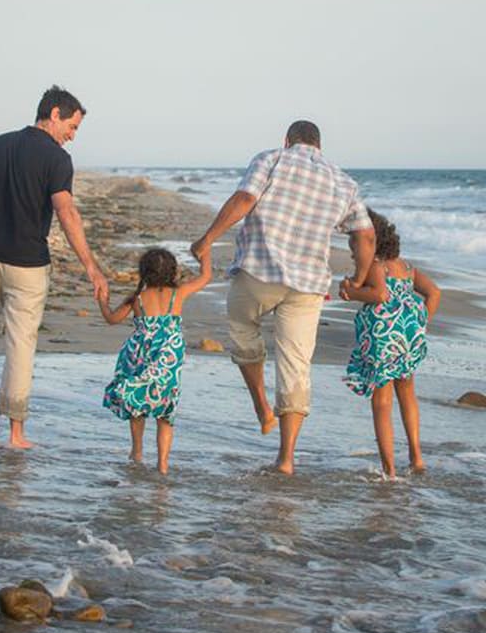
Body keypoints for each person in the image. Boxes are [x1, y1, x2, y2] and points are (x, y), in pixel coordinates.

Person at [190, 119, 375, 475]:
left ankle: (262, 405)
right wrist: (358, 279)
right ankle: (286, 459)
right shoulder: (343, 181)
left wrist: (207, 239)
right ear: (319, 146)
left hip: (259, 271)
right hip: (308, 285)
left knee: (243, 331)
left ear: (287, 140)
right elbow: (365, 236)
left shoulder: (271, 158)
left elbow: (245, 199)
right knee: (296, 367)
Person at [0, 85, 107, 449]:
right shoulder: (57, 160)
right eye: (72, 126)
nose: (72, 136)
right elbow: (66, 212)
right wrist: (91, 266)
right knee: (21, 342)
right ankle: (16, 434)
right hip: (28, 262)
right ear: (54, 114)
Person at [340, 209, 441, 478]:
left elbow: (380, 294)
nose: (353, 253)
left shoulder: (376, 266)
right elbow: (434, 293)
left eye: (354, 245)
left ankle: (390, 470)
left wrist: (351, 292)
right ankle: (416, 458)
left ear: (369, 242)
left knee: (382, 402)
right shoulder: (406, 267)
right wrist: (419, 324)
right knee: (407, 395)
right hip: (408, 339)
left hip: (384, 338)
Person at [99, 246, 212, 474]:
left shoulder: (137, 299)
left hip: (138, 355)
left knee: (137, 403)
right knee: (165, 411)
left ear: (144, 272)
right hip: (167, 360)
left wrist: (103, 299)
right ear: (173, 271)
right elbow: (206, 277)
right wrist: (205, 252)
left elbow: (111, 319)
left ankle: (137, 452)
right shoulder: (178, 293)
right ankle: (162, 464)